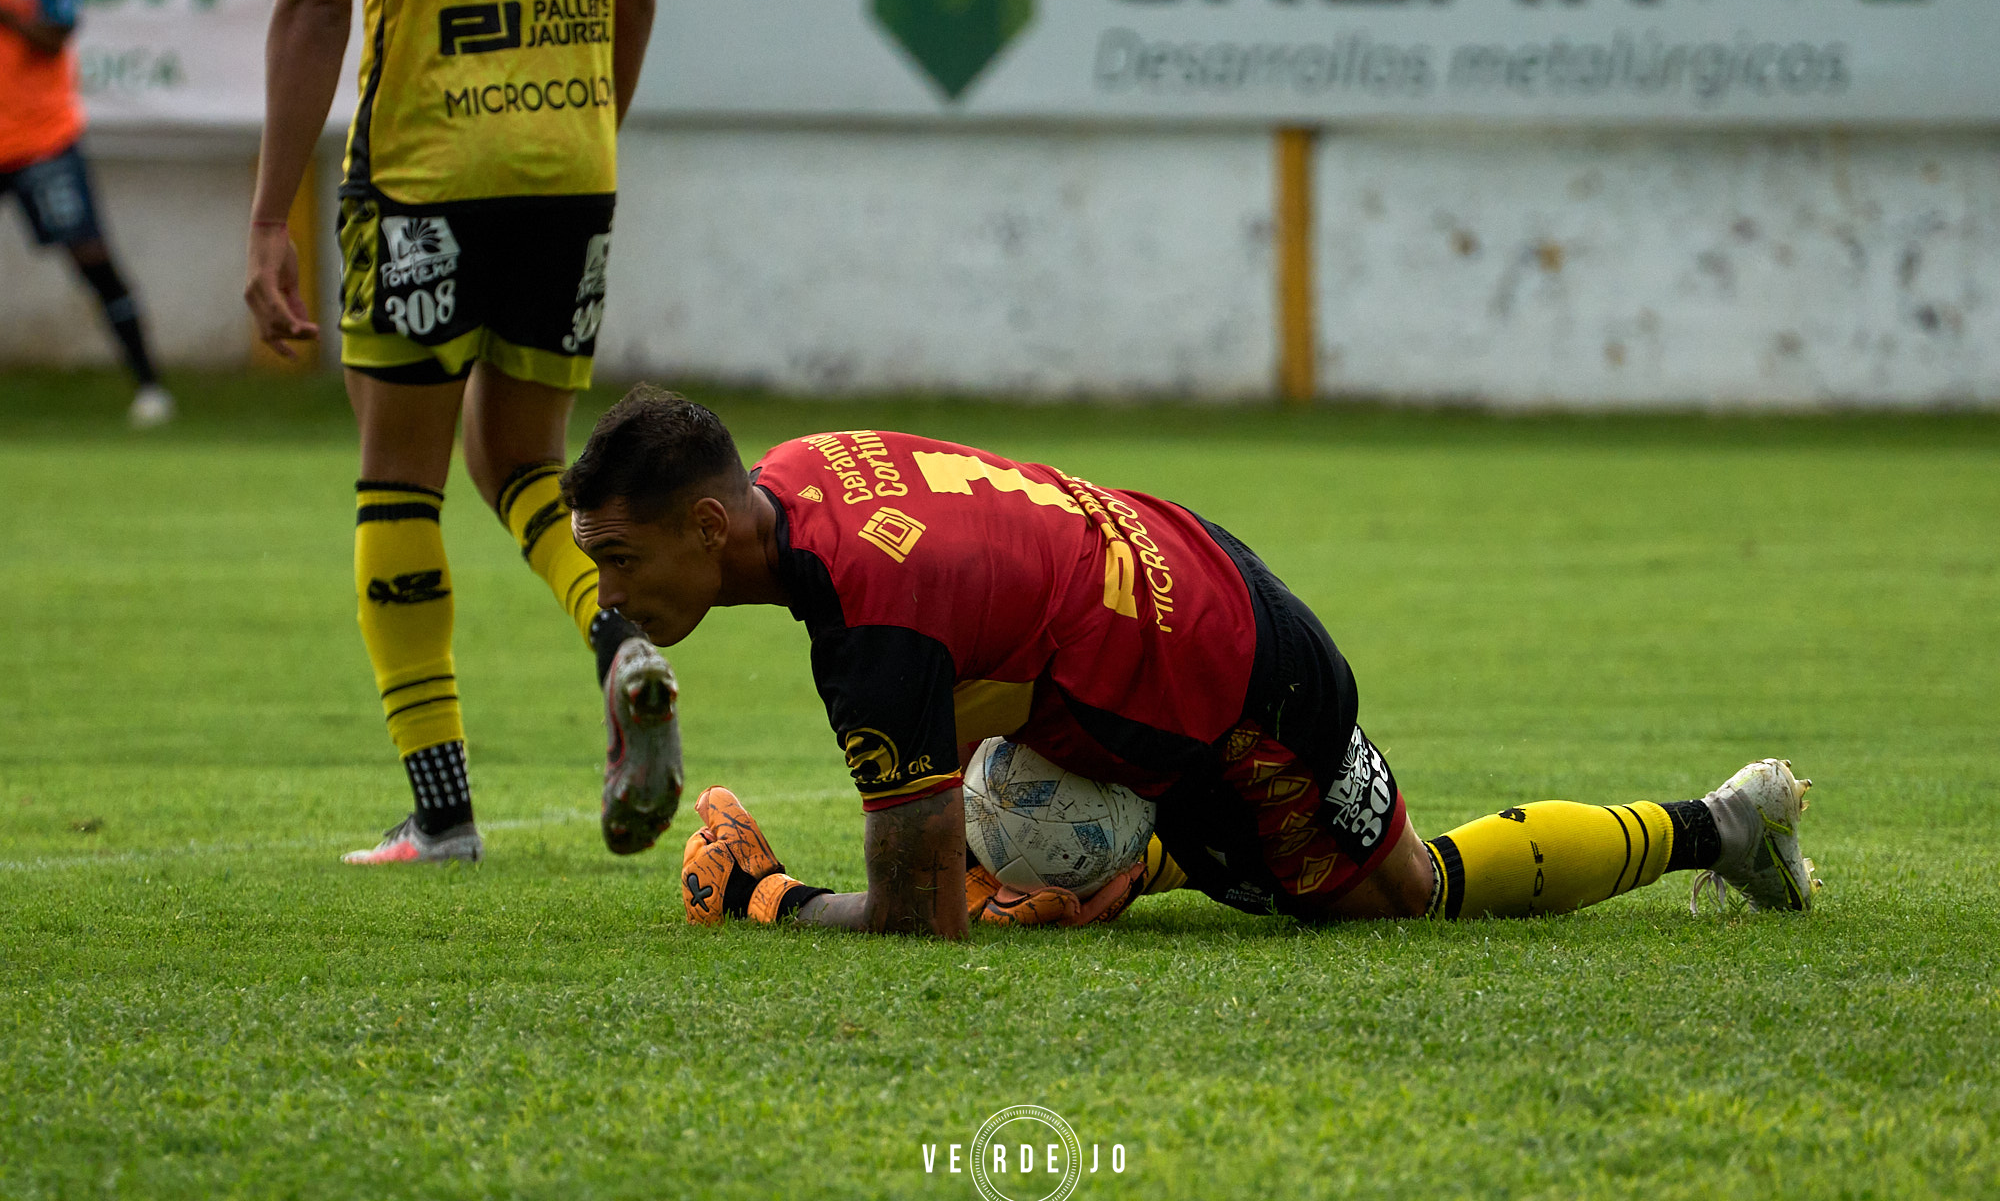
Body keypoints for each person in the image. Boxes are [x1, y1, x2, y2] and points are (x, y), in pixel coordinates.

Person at [562, 387, 1820, 937]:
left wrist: (761, 900)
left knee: (1399, 896)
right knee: (1002, 805)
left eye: (618, 561)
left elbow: (910, 928)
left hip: (1243, 691)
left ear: (708, 526)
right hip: (1180, 561)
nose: (608, 595)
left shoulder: (868, 634)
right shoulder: (804, 466)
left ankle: (1724, 825)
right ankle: (1107, 861)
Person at [246, 0, 673, 865]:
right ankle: (616, 639)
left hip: (424, 164)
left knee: (399, 482)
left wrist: (268, 215)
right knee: (523, 461)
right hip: (572, 157)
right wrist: (577, 145)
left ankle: (442, 814)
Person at [0, 0, 173, 428]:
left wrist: (6, 13)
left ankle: (150, 386)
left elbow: (57, 32)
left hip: (41, 138)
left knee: (91, 256)